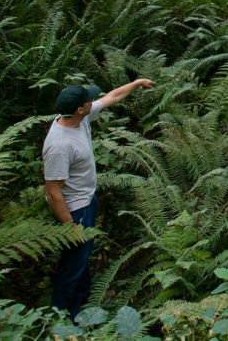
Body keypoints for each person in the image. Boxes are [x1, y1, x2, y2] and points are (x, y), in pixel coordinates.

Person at [43, 78, 155, 321]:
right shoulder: (59, 145)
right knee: (71, 266)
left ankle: (85, 300)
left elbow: (111, 97)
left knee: (81, 258)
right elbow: (52, 192)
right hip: (74, 211)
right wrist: (70, 226)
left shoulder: (78, 119)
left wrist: (136, 83)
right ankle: (63, 319)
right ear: (79, 109)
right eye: (88, 100)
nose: (93, 101)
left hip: (87, 201)